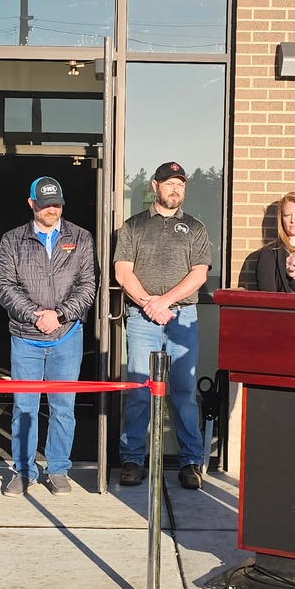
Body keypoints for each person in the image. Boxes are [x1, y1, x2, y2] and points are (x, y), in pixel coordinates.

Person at [0, 177, 97, 496]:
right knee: (25, 406)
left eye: (57, 204)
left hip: (67, 337)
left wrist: (61, 314)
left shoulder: (80, 237)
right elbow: (4, 285)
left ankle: (57, 470)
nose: (51, 210)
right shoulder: (12, 240)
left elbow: (88, 285)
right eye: (44, 204)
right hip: (25, 338)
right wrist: (34, 314)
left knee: (63, 407)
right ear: (31, 204)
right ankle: (23, 471)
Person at [115, 161, 212, 490]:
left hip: (182, 317)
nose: (176, 189)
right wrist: (148, 304)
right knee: (141, 392)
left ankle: (189, 463)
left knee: (183, 392)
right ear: (155, 186)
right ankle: (132, 458)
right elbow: (123, 272)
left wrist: (164, 302)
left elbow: (199, 274)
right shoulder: (133, 226)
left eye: (181, 184)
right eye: (169, 183)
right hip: (143, 319)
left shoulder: (196, 228)